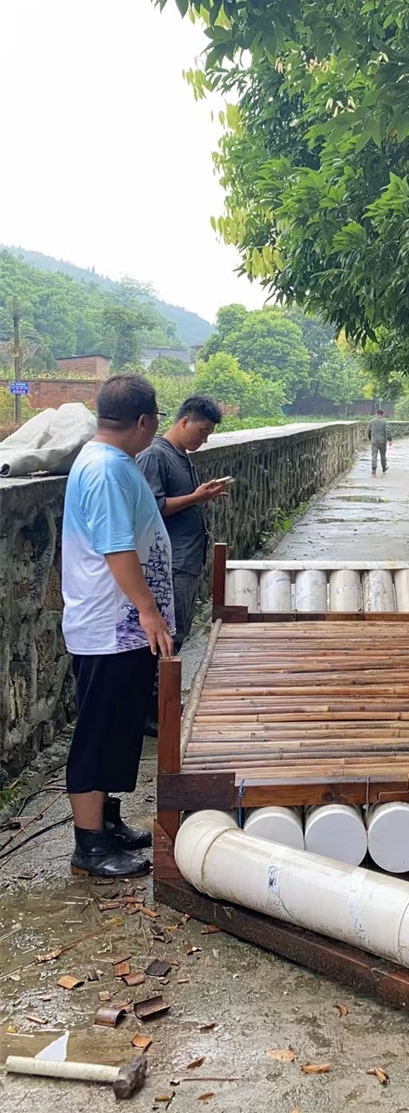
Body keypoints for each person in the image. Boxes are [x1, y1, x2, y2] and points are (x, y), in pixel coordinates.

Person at [62, 374, 174, 878]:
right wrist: (148, 611)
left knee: (119, 727)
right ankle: (89, 846)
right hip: (110, 628)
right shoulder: (106, 469)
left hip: (120, 629)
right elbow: (116, 548)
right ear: (145, 420)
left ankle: (107, 823)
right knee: (99, 732)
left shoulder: (111, 460)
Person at [137, 395, 227, 733]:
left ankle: (163, 703)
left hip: (186, 560)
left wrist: (202, 496)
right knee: (166, 638)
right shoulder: (155, 456)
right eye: (202, 431)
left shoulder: (182, 456)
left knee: (179, 634)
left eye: (208, 435)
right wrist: (196, 497)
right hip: (169, 564)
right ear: (184, 422)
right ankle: (150, 711)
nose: (204, 439)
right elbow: (151, 508)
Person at [368, 408, 392, 476]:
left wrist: (370, 438)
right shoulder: (385, 421)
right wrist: (390, 439)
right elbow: (388, 431)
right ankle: (384, 468)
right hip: (382, 441)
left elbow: (369, 431)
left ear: (376, 414)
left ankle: (373, 469)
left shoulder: (372, 421)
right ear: (383, 414)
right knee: (383, 455)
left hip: (374, 441)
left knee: (374, 455)